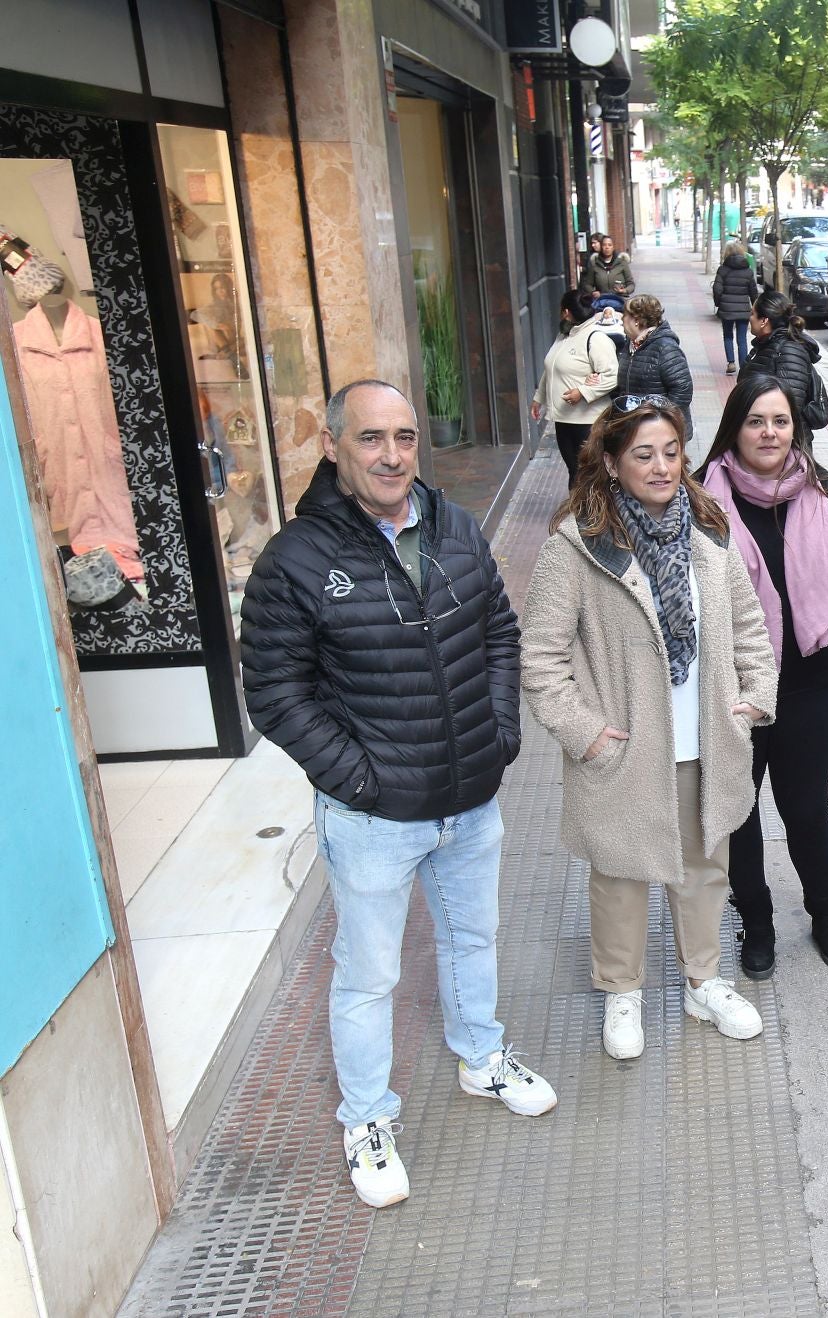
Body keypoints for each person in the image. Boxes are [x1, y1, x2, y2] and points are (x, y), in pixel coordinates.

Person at [239, 379, 556, 1210]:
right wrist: (357, 778)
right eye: (372, 439)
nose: (391, 455)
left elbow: (496, 631)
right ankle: (367, 1117)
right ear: (336, 448)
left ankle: (481, 1059)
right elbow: (275, 692)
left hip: (468, 798)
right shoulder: (297, 559)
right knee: (369, 975)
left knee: (472, 940)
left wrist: (500, 731)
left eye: (405, 437)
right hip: (373, 816)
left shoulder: (453, 526)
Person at [519, 395, 779, 1060]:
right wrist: (586, 733)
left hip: (705, 735)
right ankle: (622, 991)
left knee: (704, 865)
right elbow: (542, 661)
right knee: (620, 874)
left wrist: (752, 697)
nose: (662, 467)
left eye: (671, 451)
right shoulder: (577, 546)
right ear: (610, 461)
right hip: (625, 745)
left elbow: (748, 624)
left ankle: (704, 981)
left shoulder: (709, 532)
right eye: (643, 455)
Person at [696, 374, 828, 978]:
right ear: (734, 428)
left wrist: (800, 597)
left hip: (810, 678)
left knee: (806, 808)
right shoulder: (702, 502)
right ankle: (758, 923)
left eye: (780, 420)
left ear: (797, 427)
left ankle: (826, 913)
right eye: (755, 421)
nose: (769, 433)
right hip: (735, 685)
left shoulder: (825, 493)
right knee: (741, 812)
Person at [533, 288, 620, 486]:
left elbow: (612, 375)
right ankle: (581, 511)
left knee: (587, 472)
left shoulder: (596, 338)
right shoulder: (563, 335)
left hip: (588, 420)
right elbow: (551, 368)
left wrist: (582, 392)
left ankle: (591, 512)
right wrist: (539, 397)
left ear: (566, 312)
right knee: (574, 469)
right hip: (563, 418)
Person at [743, 290, 828, 433]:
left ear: (764, 321)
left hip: (783, 445)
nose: (750, 318)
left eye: (752, 313)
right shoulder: (767, 345)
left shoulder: (787, 351)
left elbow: (790, 408)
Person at [618, 293, 694, 418]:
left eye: (625, 315)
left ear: (636, 320)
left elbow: (683, 390)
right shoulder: (630, 345)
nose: (621, 319)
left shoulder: (665, 347)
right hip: (634, 425)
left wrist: (663, 421)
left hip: (658, 430)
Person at [712, 241, 758, 375]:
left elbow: (717, 289)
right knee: (742, 338)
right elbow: (753, 291)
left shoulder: (723, 270)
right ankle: (743, 366)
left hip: (726, 308)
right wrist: (754, 305)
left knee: (727, 336)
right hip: (743, 309)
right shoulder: (748, 271)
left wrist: (718, 303)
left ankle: (731, 362)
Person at [579, 232, 633, 305]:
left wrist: (624, 290)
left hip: (620, 301)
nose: (607, 247)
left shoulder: (622, 263)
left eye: (609, 245)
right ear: (601, 247)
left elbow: (631, 284)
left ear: (613, 247)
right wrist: (593, 292)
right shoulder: (594, 264)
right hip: (601, 302)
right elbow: (588, 284)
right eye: (604, 245)